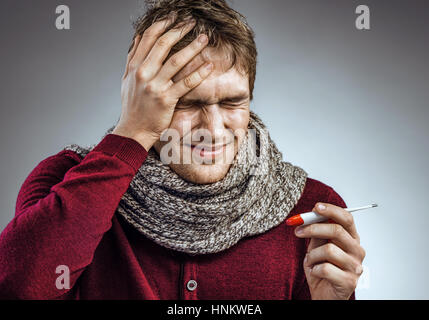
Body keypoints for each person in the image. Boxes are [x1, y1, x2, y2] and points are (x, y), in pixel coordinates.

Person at [0, 0, 365, 300]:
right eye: (187, 104)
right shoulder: (62, 182)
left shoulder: (313, 210)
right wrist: (132, 134)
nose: (213, 128)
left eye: (233, 102)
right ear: (141, 98)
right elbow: (17, 290)